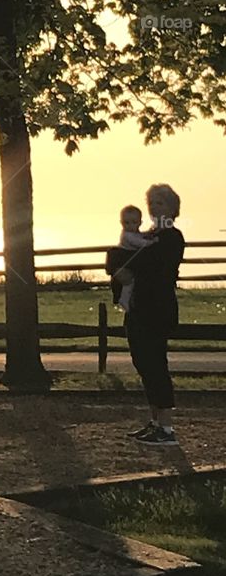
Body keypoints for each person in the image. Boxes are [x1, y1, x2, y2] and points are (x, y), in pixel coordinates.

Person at [108, 184, 185, 446]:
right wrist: (119, 269)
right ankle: (154, 421)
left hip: (157, 310)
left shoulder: (171, 238)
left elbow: (146, 266)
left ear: (172, 208)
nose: (154, 207)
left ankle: (166, 427)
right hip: (139, 308)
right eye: (151, 203)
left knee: (155, 365)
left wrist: (123, 265)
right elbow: (115, 262)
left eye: (160, 203)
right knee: (143, 364)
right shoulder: (146, 236)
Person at [107, 205, 156, 312]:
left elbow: (140, 237)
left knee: (132, 282)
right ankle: (124, 300)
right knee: (128, 283)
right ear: (122, 223)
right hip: (126, 261)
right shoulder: (127, 235)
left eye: (134, 222)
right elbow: (139, 243)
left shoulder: (134, 233)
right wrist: (152, 241)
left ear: (140, 223)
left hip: (130, 260)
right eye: (126, 223)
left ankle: (127, 300)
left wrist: (147, 234)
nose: (130, 225)